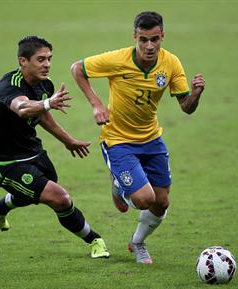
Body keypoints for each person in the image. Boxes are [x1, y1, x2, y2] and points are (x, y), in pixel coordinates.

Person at [70, 11, 205, 264]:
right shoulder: (118, 59)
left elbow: (186, 107)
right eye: (143, 39)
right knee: (144, 199)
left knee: (161, 202)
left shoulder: (171, 64)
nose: (149, 46)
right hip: (118, 140)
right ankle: (119, 187)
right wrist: (96, 103)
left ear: (162, 36)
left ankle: (137, 242)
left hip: (152, 139)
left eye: (155, 39)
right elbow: (77, 68)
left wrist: (196, 94)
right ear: (135, 37)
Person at [0, 36, 109, 259]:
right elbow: (22, 107)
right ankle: (95, 240)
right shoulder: (7, 86)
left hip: (34, 153)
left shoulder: (44, 85)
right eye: (40, 59)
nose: (47, 64)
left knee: (36, 193)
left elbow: (43, 116)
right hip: (5, 163)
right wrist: (48, 102)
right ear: (23, 61)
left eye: (49, 58)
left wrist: (67, 140)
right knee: (59, 198)